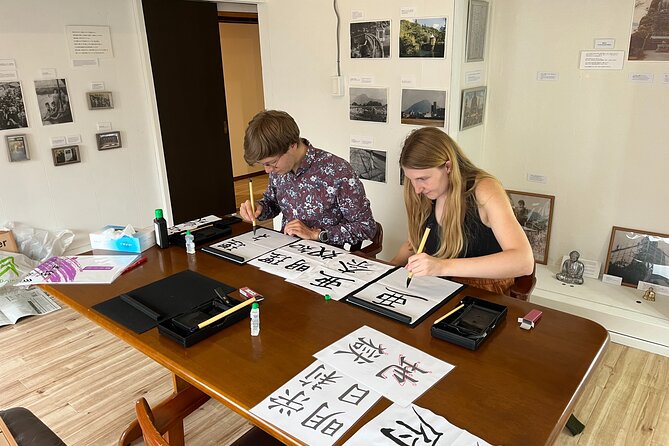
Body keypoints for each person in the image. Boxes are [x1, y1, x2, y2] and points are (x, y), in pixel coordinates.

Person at [390, 127, 534, 294]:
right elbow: (414, 243)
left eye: (423, 178)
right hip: (437, 287)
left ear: (448, 167)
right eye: (411, 179)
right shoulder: (424, 191)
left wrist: (442, 266)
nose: (417, 189)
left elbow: (523, 261)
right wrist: (388, 269)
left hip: (481, 294)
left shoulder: (484, 190)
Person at [239, 110, 377, 248]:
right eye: (263, 164)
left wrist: (316, 234)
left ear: (292, 145)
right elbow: (273, 204)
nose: (267, 170)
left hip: (325, 259)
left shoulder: (338, 171)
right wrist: (259, 208)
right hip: (286, 253)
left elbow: (366, 227)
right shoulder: (279, 169)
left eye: (271, 162)